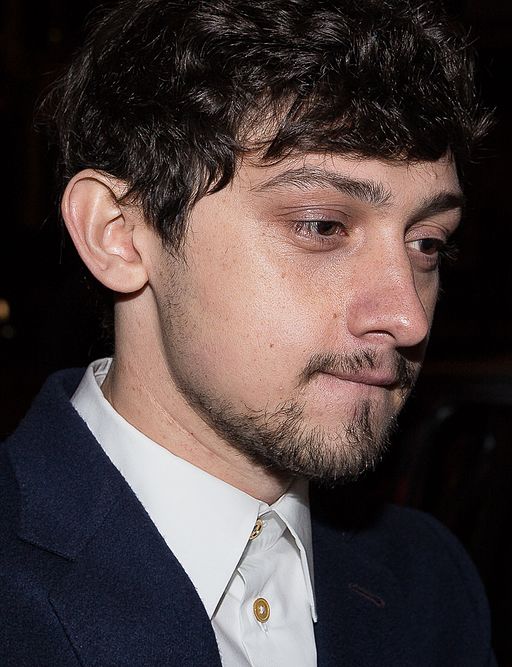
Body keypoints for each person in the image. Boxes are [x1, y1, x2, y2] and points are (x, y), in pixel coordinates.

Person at [0, 0, 496, 664]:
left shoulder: (432, 582)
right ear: (117, 235)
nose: (407, 316)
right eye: (321, 226)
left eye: (427, 243)